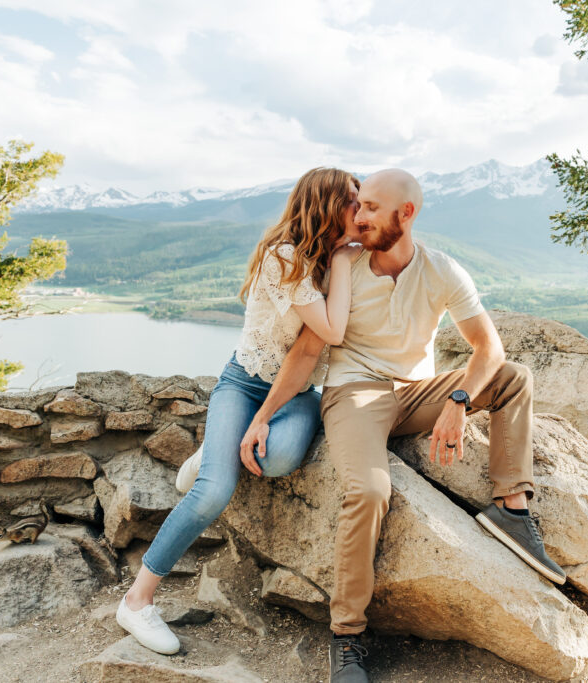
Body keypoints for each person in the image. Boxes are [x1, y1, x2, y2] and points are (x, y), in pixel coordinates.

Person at [271, 169, 567, 683]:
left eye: (369, 208)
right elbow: (310, 344)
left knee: (514, 377)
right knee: (367, 489)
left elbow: (488, 350)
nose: (358, 216)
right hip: (355, 393)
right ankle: (347, 639)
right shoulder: (346, 261)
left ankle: (511, 510)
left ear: (405, 214)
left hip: (416, 393)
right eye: (357, 205)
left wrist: (458, 399)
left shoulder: (442, 270)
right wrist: (263, 415)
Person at [114, 167, 363, 655]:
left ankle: (218, 448)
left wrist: (345, 259)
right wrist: (342, 260)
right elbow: (331, 331)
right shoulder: (284, 257)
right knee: (213, 492)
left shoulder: (346, 259)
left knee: (276, 460)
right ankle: (137, 600)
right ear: (329, 205)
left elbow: (317, 350)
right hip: (244, 384)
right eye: (354, 200)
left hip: (300, 394)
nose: (363, 208)